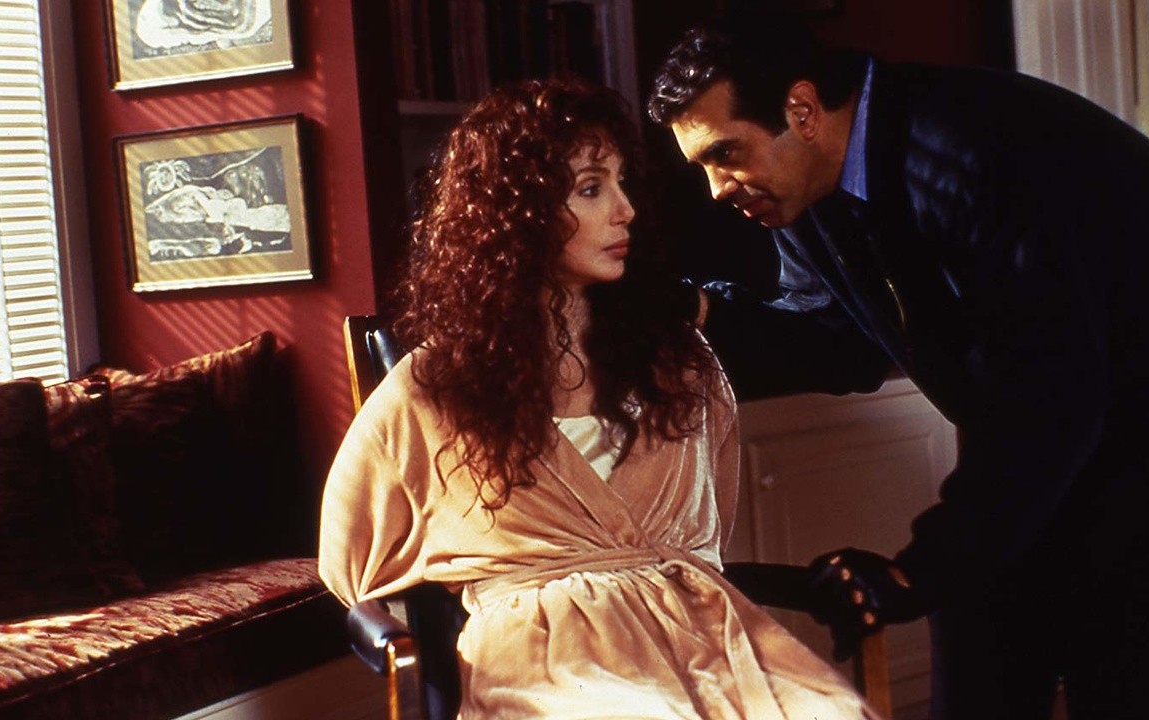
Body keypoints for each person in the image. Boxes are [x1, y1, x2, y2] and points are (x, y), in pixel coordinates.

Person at [647, 7, 1149, 719]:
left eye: (725, 153)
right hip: (1041, 451)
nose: (717, 188)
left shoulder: (971, 151)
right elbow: (837, 342)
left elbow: (1052, 399)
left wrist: (916, 571)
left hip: (1141, 452)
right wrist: (694, 310)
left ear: (801, 111)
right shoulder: (806, 189)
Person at [318, 78, 879, 719]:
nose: (625, 209)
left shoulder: (678, 361)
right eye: (591, 188)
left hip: (700, 634)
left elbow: (710, 532)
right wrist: (475, 575)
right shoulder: (439, 384)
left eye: (620, 183)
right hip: (547, 661)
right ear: (518, 212)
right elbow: (350, 561)